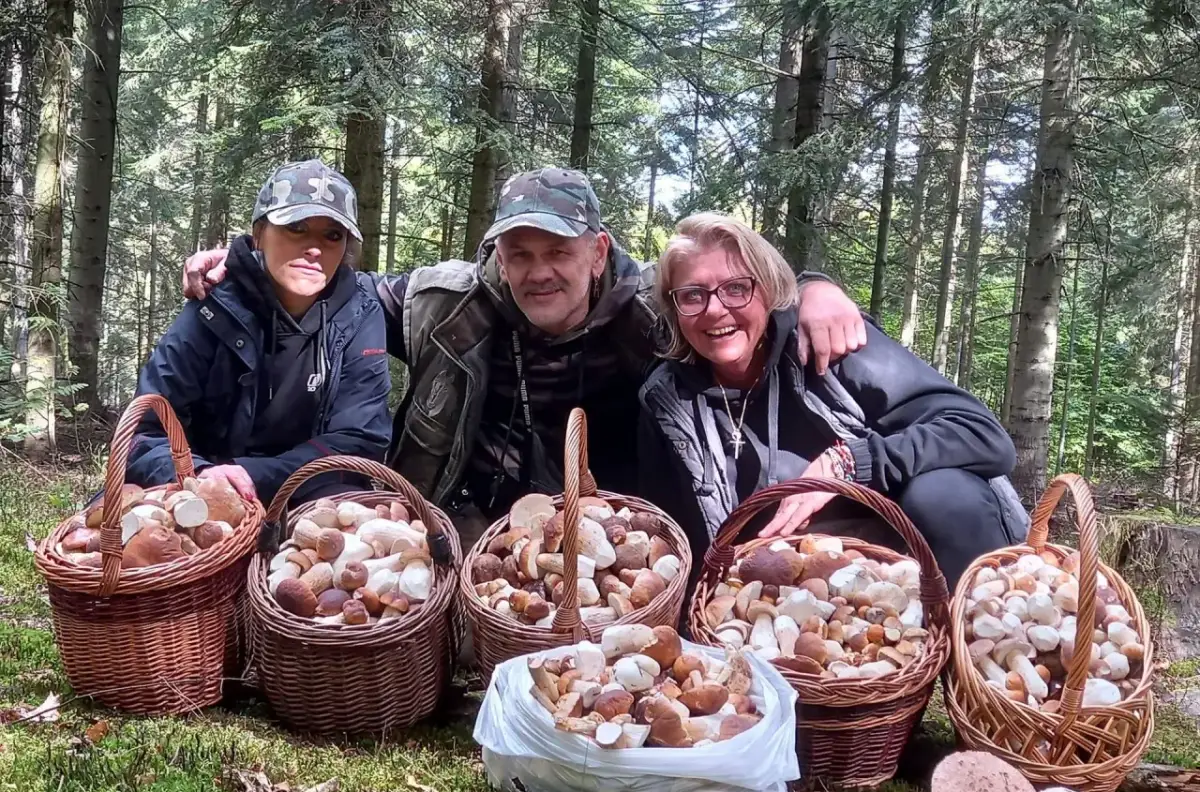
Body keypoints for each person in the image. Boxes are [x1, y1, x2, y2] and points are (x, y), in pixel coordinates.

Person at [181, 168, 866, 542]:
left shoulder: (654, 309)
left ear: (597, 251)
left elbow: (735, 301)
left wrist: (812, 288)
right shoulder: (444, 302)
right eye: (520, 253)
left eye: (558, 252)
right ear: (497, 254)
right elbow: (329, 281)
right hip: (464, 516)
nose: (538, 272)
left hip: (622, 528)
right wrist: (239, 266)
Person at [637, 213, 1029, 587]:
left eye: (737, 288)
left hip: (901, 564)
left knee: (944, 494)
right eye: (692, 295)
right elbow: (669, 527)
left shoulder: (833, 346)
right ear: (674, 309)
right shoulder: (668, 401)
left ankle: (968, 633)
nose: (715, 309)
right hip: (769, 593)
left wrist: (847, 464)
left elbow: (982, 435)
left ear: (768, 289)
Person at [127, 159, 391, 506]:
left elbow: (359, 439)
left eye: (332, 235)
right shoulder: (212, 309)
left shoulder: (360, 316)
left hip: (309, 492)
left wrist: (252, 475)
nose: (315, 248)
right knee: (116, 530)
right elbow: (145, 433)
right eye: (296, 227)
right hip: (199, 488)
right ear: (259, 234)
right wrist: (203, 476)